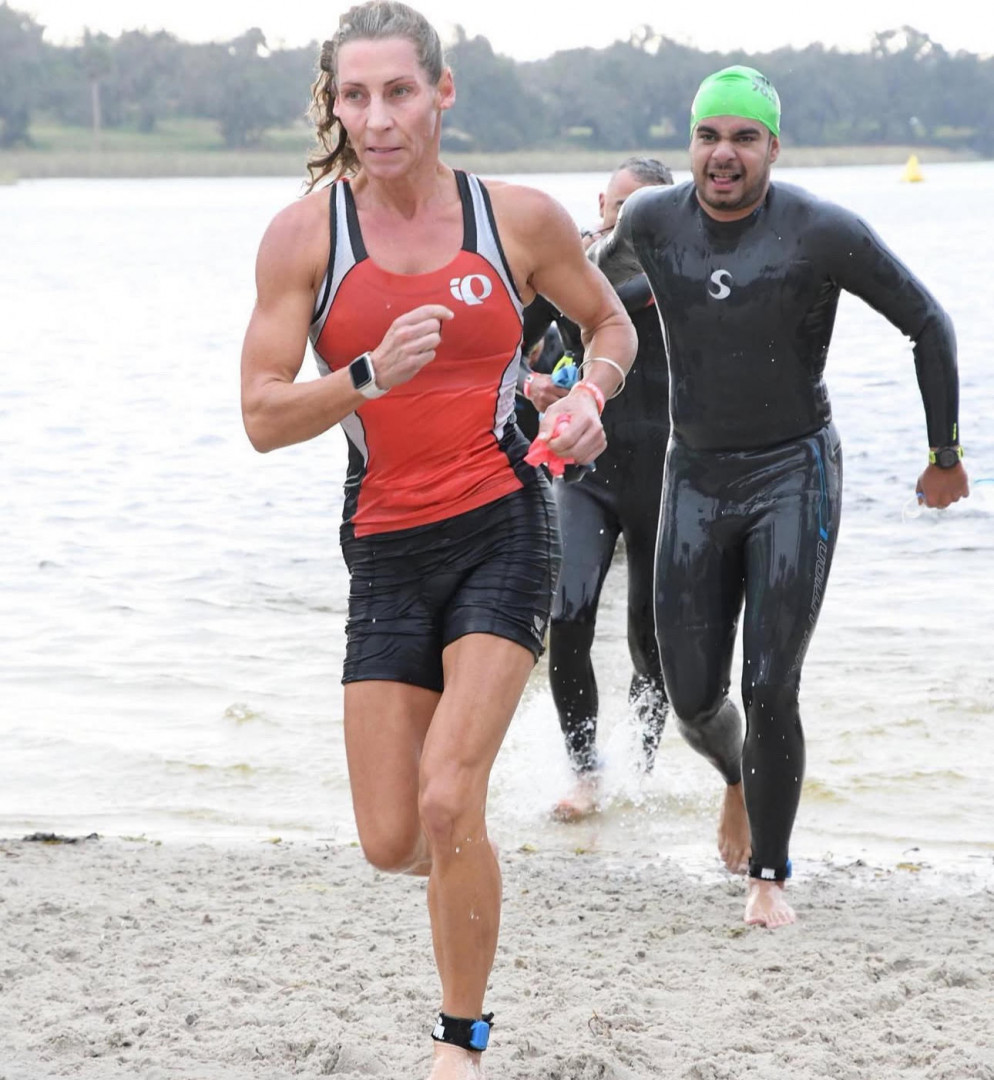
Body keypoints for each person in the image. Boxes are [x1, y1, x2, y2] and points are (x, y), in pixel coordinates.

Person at [239, 4, 636, 1076]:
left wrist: (588, 395)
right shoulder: (305, 237)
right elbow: (262, 416)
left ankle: (460, 1041)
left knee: (450, 794)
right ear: (334, 104)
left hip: (503, 521)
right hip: (382, 544)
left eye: (398, 92)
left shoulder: (516, 219)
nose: (376, 119)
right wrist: (365, 377)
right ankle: (470, 864)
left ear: (441, 92)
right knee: (393, 840)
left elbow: (610, 325)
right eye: (354, 96)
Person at [593, 65, 969, 928]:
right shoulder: (650, 220)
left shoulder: (820, 231)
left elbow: (927, 323)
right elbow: (584, 291)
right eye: (708, 136)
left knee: (770, 681)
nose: (723, 154)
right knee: (691, 696)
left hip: (792, 472)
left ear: (773, 147)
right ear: (690, 143)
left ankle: (769, 875)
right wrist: (544, 370)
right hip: (694, 472)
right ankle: (736, 776)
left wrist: (943, 453)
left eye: (743, 138)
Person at [519, 158, 675, 821]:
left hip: (666, 479)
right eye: (620, 209)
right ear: (602, 204)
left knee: (651, 641)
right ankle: (584, 770)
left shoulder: (678, 274)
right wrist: (533, 385)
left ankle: (638, 767)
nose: (628, 225)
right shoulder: (569, 273)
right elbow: (509, 346)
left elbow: (634, 295)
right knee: (567, 619)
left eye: (646, 214)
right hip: (589, 479)